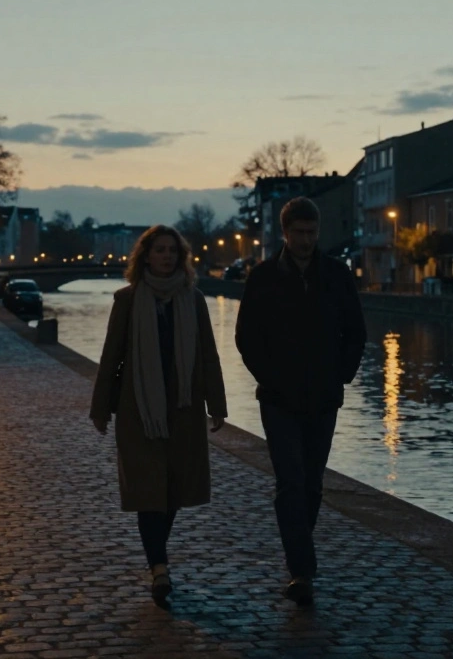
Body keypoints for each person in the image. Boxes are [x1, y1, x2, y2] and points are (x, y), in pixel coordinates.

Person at [235, 197, 367, 606]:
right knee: (290, 481)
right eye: (300, 233)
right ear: (285, 233)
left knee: (311, 483)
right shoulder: (262, 277)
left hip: (324, 397)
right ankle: (302, 570)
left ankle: (299, 555)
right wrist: (271, 378)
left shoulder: (337, 276)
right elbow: (246, 337)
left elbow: (356, 333)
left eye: (312, 233)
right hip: (278, 399)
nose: (307, 240)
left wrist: (339, 375)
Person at [88, 225, 228, 607]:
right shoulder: (128, 300)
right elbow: (111, 357)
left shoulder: (193, 300)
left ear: (180, 258)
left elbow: (208, 356)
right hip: (140, 411)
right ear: (145, 256)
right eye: (159, 250)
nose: (166, 256)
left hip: (183, 411)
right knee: (149, 492)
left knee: (173, 493)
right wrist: (100, 408)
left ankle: (157, 557)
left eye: (172, 251)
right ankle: (159, 567)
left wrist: (217, 405)